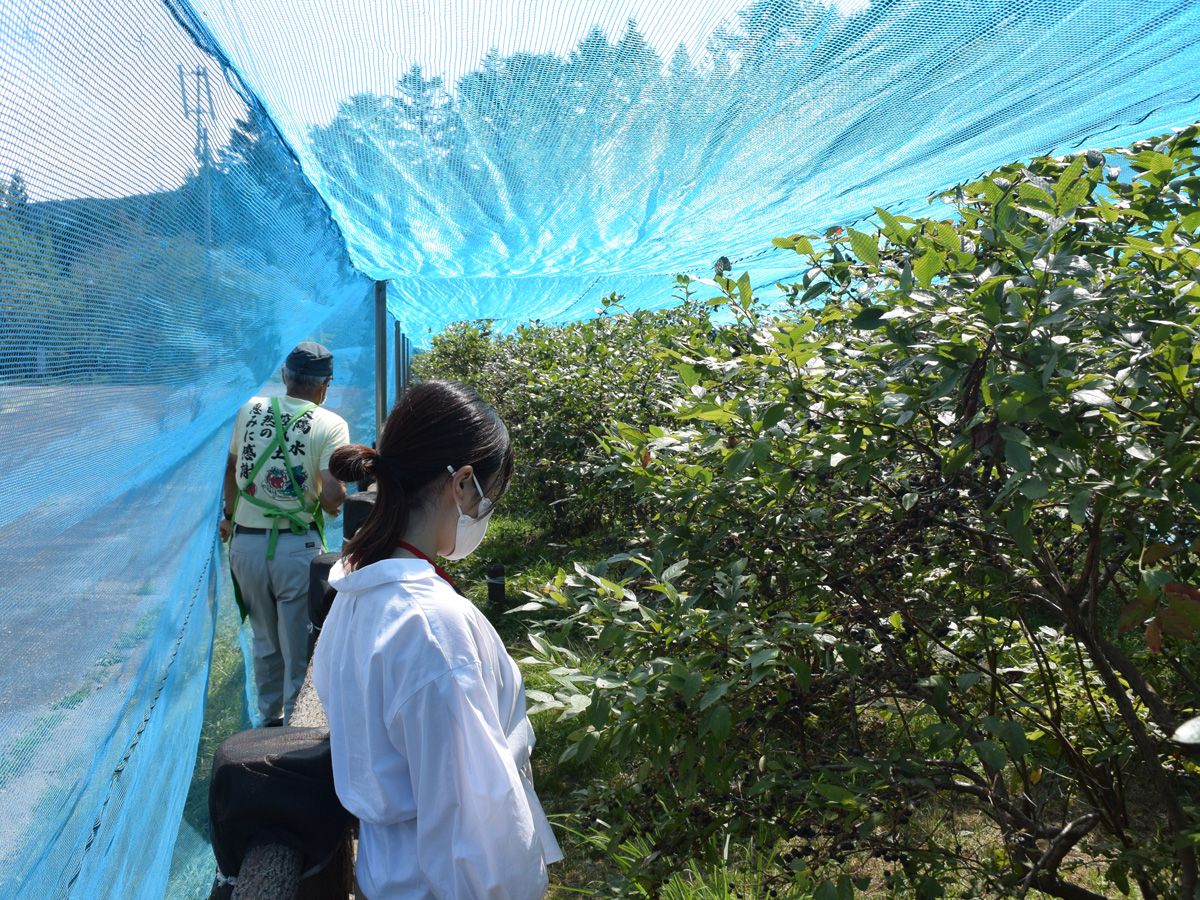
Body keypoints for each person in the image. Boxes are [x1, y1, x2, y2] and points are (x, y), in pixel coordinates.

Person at [312, 380, 562, 900]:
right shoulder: (431, 629)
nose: (487, 511)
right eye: (489, 496)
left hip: (391, 873)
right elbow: (477, 822)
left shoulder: (358, 589)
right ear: (464, 483)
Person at [220, 341, 349, 726]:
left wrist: (229, 515)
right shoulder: (330, 424)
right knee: (299, 645)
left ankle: (267, 722)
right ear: (325, 384)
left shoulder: (248, 410)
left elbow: (229, 470)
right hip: (297, 549)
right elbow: (331, 494)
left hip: (245, 545)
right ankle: (293, 732)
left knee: (264, 639)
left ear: (284, 377)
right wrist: (336, 501)